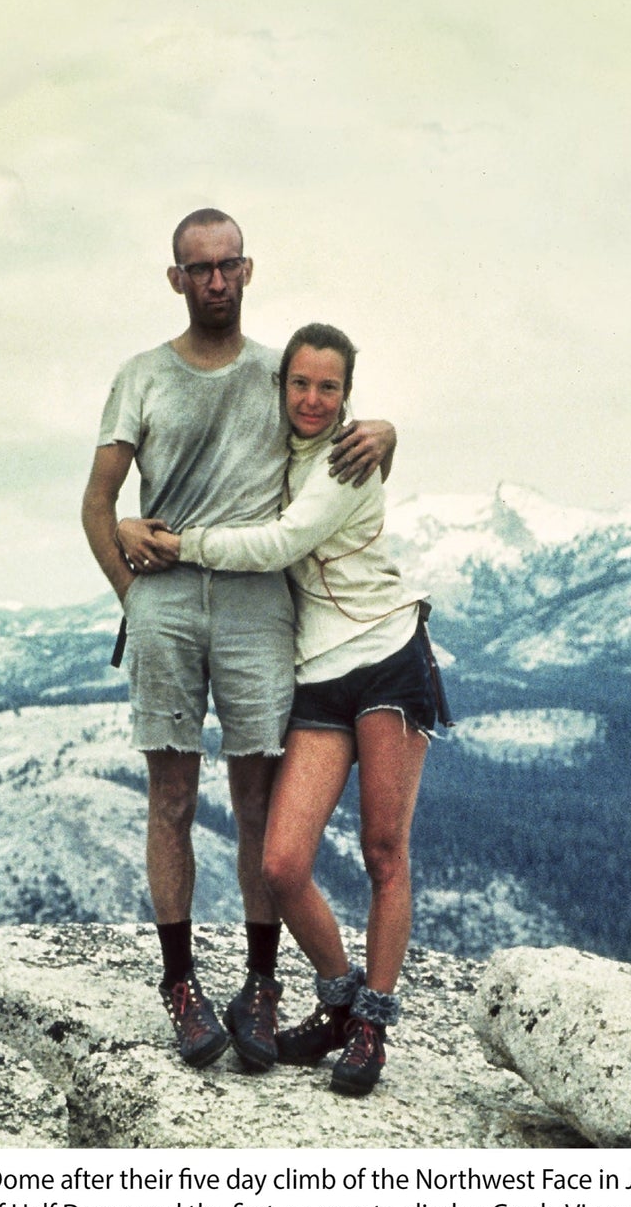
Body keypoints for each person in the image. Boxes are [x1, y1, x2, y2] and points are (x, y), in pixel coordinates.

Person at [80, 214, 395, 1073]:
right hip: (169, 605)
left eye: (228, 266)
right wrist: (133, 598)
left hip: (260, 607)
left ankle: (262, 984)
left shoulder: (275, 373)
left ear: (248, 269)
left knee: (258, 803)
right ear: (175, 278)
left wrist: (390, 434)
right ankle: (179, 985)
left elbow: (341, 435)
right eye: (199, 268)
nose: (216, 281)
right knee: (171, 798)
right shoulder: (140, 376)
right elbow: (97, 505)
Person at [146, 323, 448, 1096]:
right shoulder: (285, 448)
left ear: (349, 394)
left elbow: (281, 542)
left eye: (330, 387)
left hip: (385, 655)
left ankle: (371, 1025)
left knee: (384, 851)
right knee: (281, 864)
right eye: (300, 384)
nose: (312, 400)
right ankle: (341, 997)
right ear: (281, 386)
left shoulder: (349, 457)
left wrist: (178, 544)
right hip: (316, 669)